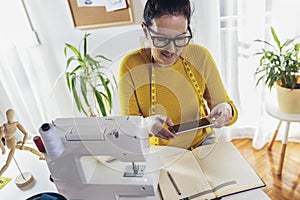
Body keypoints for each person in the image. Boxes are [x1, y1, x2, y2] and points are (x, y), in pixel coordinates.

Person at [118, 0, 238, 149]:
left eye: (180, 38)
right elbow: (128, 128)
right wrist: (145, 125)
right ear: (145, 31)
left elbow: (229, 109)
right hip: (159, 151)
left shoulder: (200, 56)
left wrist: (226, 110)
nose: (172, 49)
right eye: (162, 38)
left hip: (202, 144)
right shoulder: (131, 66)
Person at [0, 109, 44, 183]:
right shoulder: (3, 127)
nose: (10, 117)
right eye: (9, 115)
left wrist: (23, 144)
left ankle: (41, 156)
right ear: (6, 116)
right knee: (7, 163)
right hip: (10, 145)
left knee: (29, 149)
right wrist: (3, 149)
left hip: (15, 142)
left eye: (11, 115)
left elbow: (26, 133)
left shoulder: (16, 124)